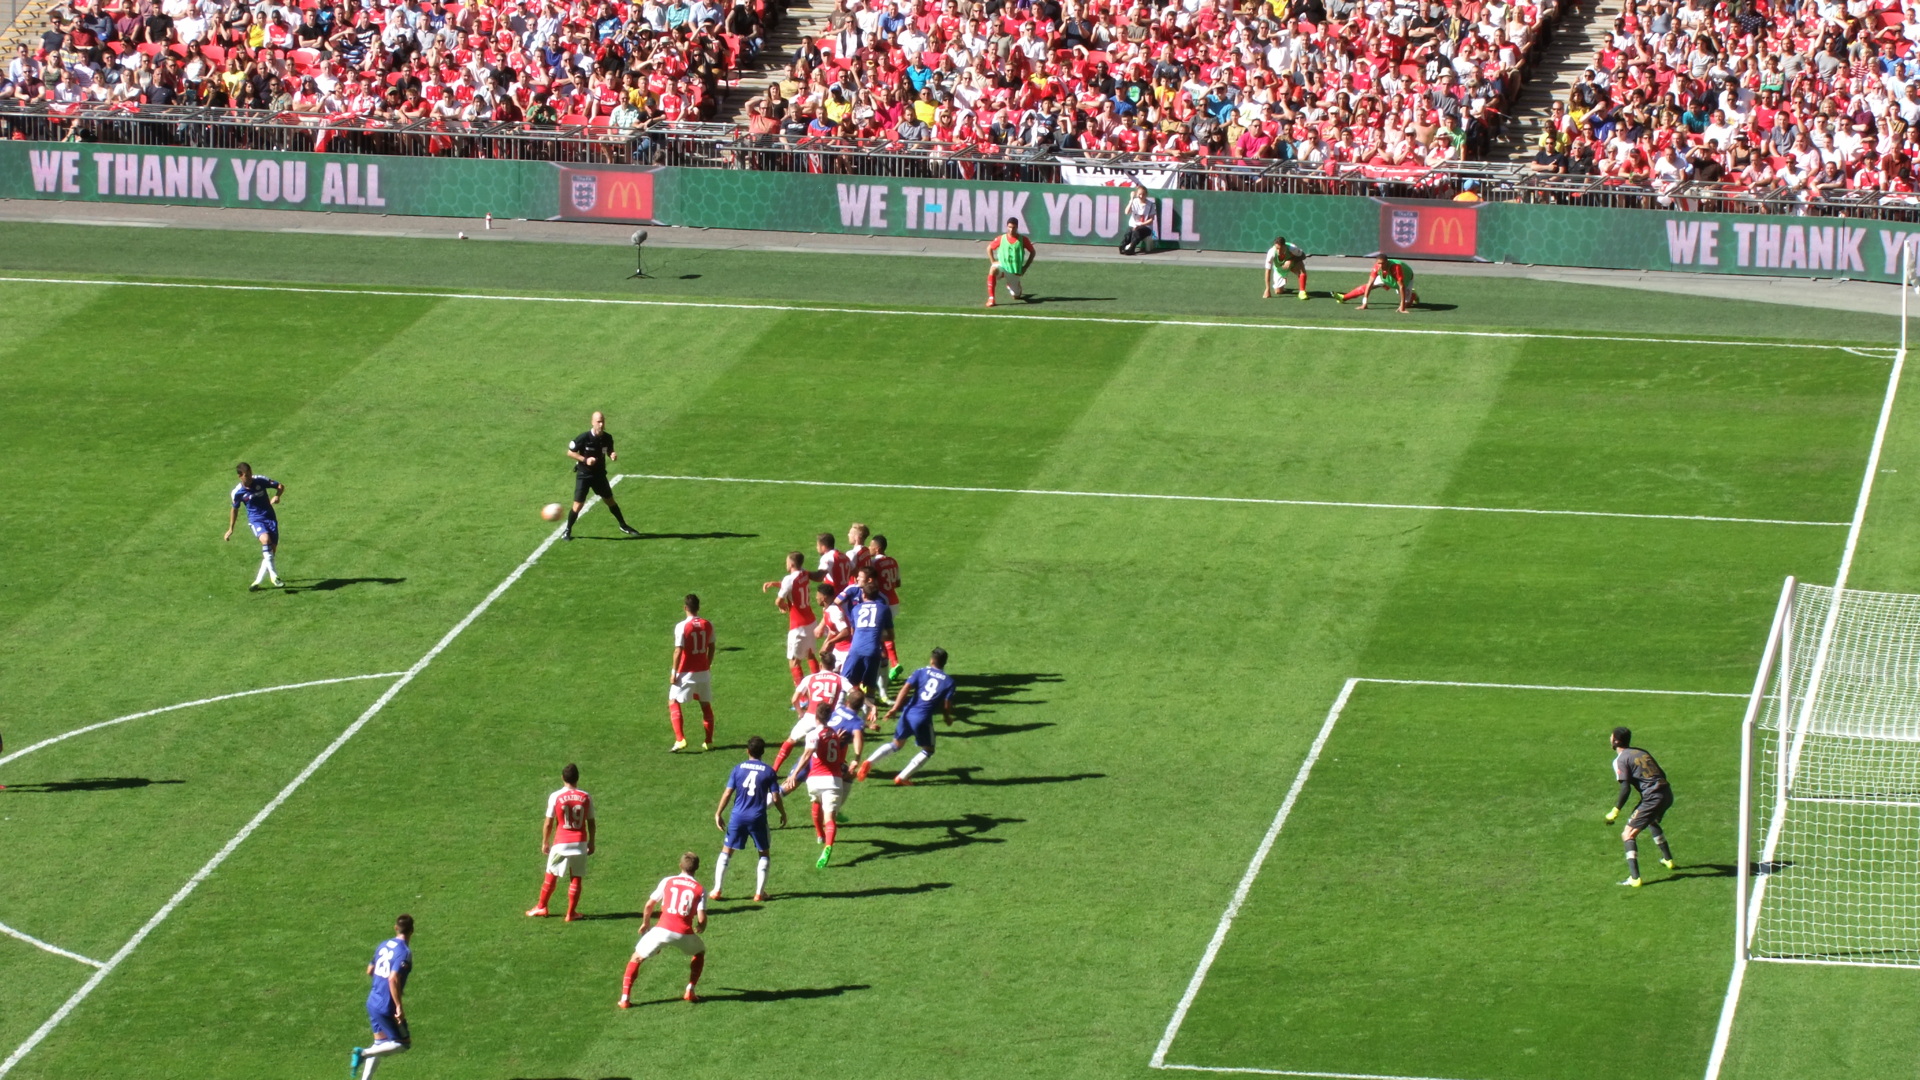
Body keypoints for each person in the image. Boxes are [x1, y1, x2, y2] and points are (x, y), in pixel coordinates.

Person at [781, 697, 864, 868]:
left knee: (815, 802)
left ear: (816, 718)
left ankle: (819, 835)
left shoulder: (814, 734)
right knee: (830, 819)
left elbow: (806, 756)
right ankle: (827, 846)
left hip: (815, 779)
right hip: (833, 781)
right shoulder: (835, 734)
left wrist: (794, 774)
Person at [617, 852, 707, 1008]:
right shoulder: (700, 889)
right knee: (699, 952)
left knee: (636, 958)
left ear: (680, 866)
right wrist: (701, 927)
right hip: (684, 933)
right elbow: (702, 918)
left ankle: (625, 998)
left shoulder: (668, 881)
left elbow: (649, 905)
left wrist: (645, 924)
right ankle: (690, 990)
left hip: (662, 930)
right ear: (697, 868)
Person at [860, 647, 954, 785]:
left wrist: (895, 708)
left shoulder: (921, 671)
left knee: (896, 744)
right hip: (923, 718)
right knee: (928, 750)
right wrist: (947, 718)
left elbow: (905, 688)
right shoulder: (949, 681)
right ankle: (902, 777)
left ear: (931, 660)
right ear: (944, 662)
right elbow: (946, 705)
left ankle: (869, 761)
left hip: (907, 713)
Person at [713, 735, 786, 901]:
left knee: (727, 850)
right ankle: (759, 893)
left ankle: (717, 889)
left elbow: (727, 792)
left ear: (748, 751)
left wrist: (718, 813)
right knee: (764, 853)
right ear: (763, 752)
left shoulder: (738, 769)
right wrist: (782, 813)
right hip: (757, 817)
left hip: (737, 816)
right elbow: (775, 798)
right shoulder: (769, 771)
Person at [1606, 726, 1675, 887]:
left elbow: (1625, 788)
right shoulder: (1641, 751)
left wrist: (1615, 810)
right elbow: (1661, 773)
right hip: (1667, 793)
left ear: (1616, 741)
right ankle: (1668, 859)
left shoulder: (1621, 760)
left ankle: (1635, 878)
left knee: (1628, 834)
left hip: (1652, 798)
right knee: (1651, 821)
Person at [349, 914, 414, 1080]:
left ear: (395, 928)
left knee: (380, 1043)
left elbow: (370, 970)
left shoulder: (383, 945)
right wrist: (398, 1005)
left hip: (373, 1000)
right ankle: (363, 1053)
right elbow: (393, 978)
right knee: (403, 1044)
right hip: (387, 1005)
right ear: (412, 931)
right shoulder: (404, 952)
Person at [527, 763, 595, 920]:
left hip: (561, 842)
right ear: (577, 778)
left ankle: (542, 906)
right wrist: (592, 842)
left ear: (562, 778)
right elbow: (591, 822)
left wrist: (545, 842)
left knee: (551, 875)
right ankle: (571, 913)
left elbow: (549, 822)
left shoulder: (556, 796)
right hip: (580, 842)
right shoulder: (585, 796)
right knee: (576, 877)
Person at [563, 411, 641, 540]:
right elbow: (570, 453)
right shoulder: (584, 438)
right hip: (584, 475)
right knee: (578, 505)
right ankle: (567, 530)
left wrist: (612, 455)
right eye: (598, 422)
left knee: (610, 500)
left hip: (599, 475)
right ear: (592, 422)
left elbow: (609, 450)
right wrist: (585, 460)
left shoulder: (607, 438)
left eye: (603, 421)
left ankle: (623, 525)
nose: (601, 424)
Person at [825, 567, 894, 704]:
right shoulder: (856, 591)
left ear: (869, 581)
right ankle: (868, 708)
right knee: (870, 681)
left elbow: (835, 606)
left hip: (857, 639)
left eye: (860, 577)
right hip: (867, 641)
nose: (856, 579)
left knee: (847, 678)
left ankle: (841, 706)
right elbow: (890, 634)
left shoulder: (858, 608)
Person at [223, 462, 285, 590]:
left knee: (271, 552)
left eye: (250, 473)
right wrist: (231, 528)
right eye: (247, 475)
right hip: (256, 520)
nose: (250, 477)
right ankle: (274, 576)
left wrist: (277, 496)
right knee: (265, 540)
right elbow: (234, 509)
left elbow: (280, 486)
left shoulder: (260, 480)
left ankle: (257, 581)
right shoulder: (237, 492)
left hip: (270, 518)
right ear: (240, 476)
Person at [762, 551, 819, 685]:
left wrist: (782, 606)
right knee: (810, 655)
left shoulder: (789, 579)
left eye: (787, 561)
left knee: (794, 661)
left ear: (792, 563)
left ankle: (802, 698)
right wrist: (775, 583)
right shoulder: (804, 573)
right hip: (811, 621)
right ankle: (819, 687)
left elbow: (778, 600)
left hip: (798, 625)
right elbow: (793, 585)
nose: (785, 564)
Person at [669, 593, 716, 752]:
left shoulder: (681, 626)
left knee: (673, 701)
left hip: (686, 672)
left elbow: (678, 651)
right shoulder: (708, 624)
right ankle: (708, 741)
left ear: (685, 608)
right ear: (698, 607)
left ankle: (680, 739)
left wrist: (674, 672)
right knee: (705, 705)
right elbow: (712, 647)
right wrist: (707, 664)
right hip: (703, 672)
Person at [781, 664, 853, 767]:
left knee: (791, 740)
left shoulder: (810, 678)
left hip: (811, 716)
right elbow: (853, 692)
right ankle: (840, 762)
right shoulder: (840, 679)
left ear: (820, 665)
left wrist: (801, 713)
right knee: (840, 737)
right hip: (829, 718)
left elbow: (794, 699)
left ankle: (775, 769)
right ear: (833, 666)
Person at [1337, 256, 1420, 313]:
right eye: (1379, 263)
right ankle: (1344, 297)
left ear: (1387, 262)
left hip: (1406, 279)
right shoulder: (1377, 267)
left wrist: (1402, 307)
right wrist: (1364, 303)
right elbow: (1369, 284)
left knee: (1407, 304)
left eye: (1383, 263)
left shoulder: (1396, 267)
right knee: (1368, 286)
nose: (1380, 266)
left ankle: (1413, 295)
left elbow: (1401, 286)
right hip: (1386, 277)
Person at [985, 216, 1036, 307]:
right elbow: (989, 248)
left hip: (1014, 271)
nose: (1011, 229)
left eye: (1013, 227)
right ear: (1007, 227)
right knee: (992, 270)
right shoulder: (1001, 238)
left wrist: (1025, 267)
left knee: (1016, 296)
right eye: (1009, 227)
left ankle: (1013, 286)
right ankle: (991, 298)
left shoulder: (1023, 240)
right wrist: (993, 262)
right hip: (1002, 266)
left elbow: (1032, 252)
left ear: (1017, 227)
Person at [1263, 236, 1309, 300]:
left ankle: (1302, 291)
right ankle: (1283, 284)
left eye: (1280, 248)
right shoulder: (1271, 253)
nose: (1278, 251)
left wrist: (1291, 260)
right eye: (1277, 248)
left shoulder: (1292, 248)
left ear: (1284, 246)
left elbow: (1303, 256)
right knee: (1278, 291)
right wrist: (1267, 289)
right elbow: (1267, 271)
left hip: (1292, 265)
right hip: (1280, 269)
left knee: (1300, 265)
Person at [1119, 186, 1156, 255]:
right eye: (1139, 194)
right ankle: (1123, 247)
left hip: (1146, 227)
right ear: (1136, 194)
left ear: (1146, 194)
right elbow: (1126, 212)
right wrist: (1131, 199)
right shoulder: (1134, 202)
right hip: (1133, 225)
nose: (1141, 196)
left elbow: (1151, 219)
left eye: (1143, 194)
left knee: (1136, 232)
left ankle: (1131, 248)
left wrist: (1141, 224)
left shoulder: (1150, 204)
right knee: (1129, 233)